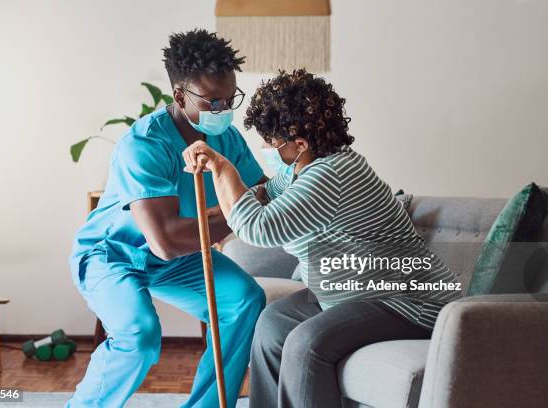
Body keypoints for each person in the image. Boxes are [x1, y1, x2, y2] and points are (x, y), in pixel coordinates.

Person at [182, 68, 461, 408]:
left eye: (272, 143)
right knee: (271, 324)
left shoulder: (333, 174)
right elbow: (268, 192)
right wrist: (219, 210)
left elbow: (259, 228)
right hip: (351, 293)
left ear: (300, 143)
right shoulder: (303, 166)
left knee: (306, 344)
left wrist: (223, 168)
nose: (267, 149)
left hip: (404, 300)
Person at [67, 29, 267, 408]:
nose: (224, 110)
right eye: (212, 102)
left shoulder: (228, 139)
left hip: (174, 262)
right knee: (140, 335)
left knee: (244, 300)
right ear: (179, 96)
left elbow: (263, 190)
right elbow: (166, 239)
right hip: (113, 255)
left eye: (230, 99)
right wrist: (237, 214)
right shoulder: (145, 145)